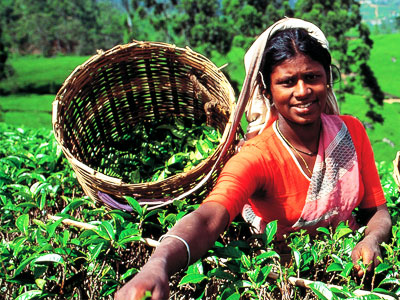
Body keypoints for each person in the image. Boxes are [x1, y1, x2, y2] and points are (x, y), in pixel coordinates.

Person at [114, 18, 392, 300]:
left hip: (347, 278)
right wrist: (157, 264)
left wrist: (371, 239)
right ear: (267, 88)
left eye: (312, 77)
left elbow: (377, 210)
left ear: (326, 78)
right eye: (287, 82)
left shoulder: (350, 132)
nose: (302, 91)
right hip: (286, 284)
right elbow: (208, 218)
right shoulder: (257, 157)